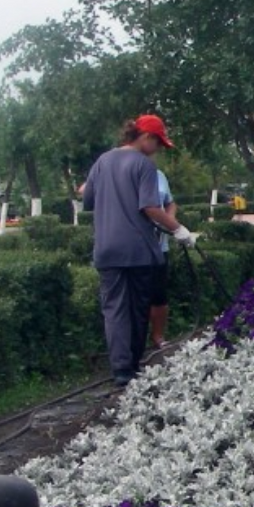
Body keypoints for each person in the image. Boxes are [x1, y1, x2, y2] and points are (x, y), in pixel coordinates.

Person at [79, 113, 197, 386]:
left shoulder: (102, 161)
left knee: (114, 309)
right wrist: (179, 230)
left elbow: (88, 199)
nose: (158, 150)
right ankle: (132, 366)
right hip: (138, 250)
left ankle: (120, 370)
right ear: (145, 137)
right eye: (158, 143)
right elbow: (150, 207)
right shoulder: (144, 165)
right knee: (137, 308)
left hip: (106, 250)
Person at [148, 166, 178, 353]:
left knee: (159, 294)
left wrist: (169, 220)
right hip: (134, 246)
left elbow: (170, 202)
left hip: (159, 246)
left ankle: (158, 336)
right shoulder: (123, 174)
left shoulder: (158, 175)